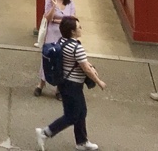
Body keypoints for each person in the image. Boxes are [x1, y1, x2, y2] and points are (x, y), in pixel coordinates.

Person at [35, 16, 106, 151]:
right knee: (71, 115)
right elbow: (85, 68)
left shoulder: (62, 41)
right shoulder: (76, 47)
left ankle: (82, 141)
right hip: (72, 85)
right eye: (79, 27)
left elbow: (79, 62)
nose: (81, 29)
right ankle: (45, 133)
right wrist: (99, 82)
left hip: (66, 83)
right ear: (73, 31)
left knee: (81, 112)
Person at [36, 0, 75, 97]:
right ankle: (41, 84)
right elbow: (48, 18)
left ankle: (59, 88)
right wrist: (53, 7)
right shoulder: (49, 0)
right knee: (48, 58)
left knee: (62, 61)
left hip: (64, 36)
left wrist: (57, 20)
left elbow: (72, 20)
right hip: (51, 34)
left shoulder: (70, 3)